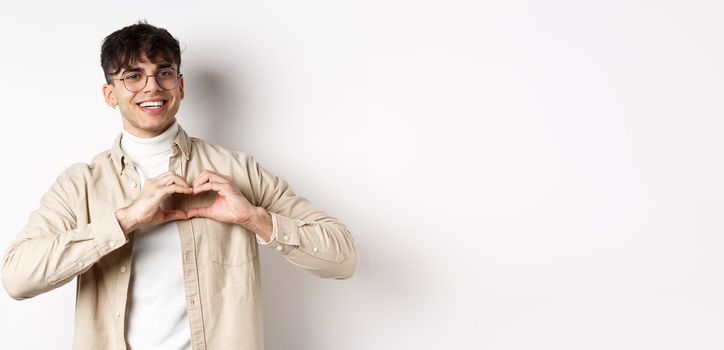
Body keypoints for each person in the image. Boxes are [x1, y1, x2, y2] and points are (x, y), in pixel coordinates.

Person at [1, 21, 357, 350]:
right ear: (110, 94)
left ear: (180, 86)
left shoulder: (238, 171)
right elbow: (17, 278)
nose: (152, 86)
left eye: (164, 73)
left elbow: (342, 258)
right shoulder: (79, 185)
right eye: (133, 76)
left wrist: (255, 219)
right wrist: (124, 221)